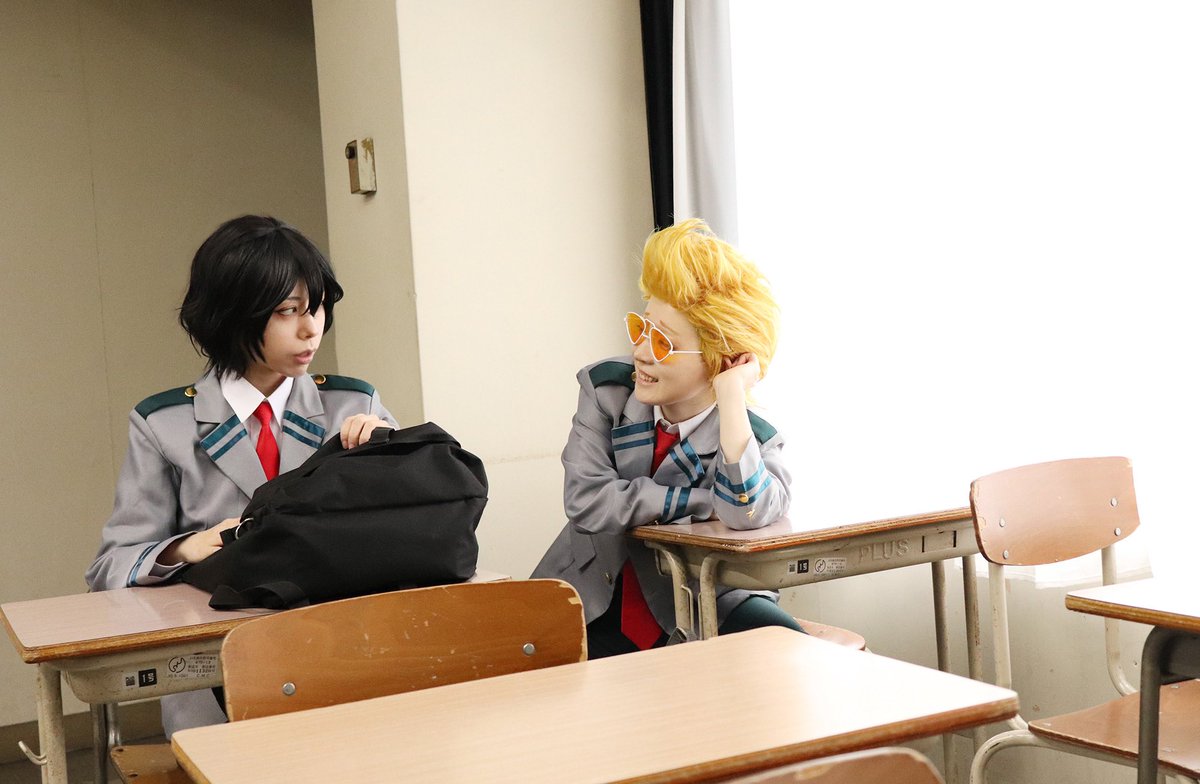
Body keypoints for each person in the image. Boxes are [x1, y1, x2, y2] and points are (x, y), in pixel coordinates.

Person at [85, 215, 396, 736]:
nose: (311, 328)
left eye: (317, 307)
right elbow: (109, 566)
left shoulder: (353, 405)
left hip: (338, 660)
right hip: (217, 675)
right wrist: (182, 549)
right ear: (232, 315)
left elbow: (405, 533)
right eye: (287, 311)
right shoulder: (165, 424)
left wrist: (391, 452)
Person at [532, 218, 797, 658]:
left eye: (662, 343)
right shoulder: (607, 390)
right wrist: (703, 502)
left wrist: (732, 393)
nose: (640, 352)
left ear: (719, 359)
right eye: (641, 329)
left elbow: (747, 512)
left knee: (792, 653)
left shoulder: (752, 436)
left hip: (703, 603)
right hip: (590, 594)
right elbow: (588, 499)